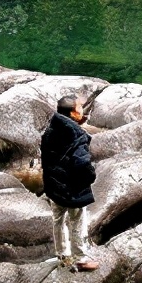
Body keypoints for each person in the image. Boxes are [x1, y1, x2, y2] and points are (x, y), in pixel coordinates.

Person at [40, 95, 99, 271]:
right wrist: (90, 177)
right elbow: (82, 164)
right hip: (73, 188)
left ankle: (62, 255)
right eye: (80, 107)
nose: (83, 110)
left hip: (54, 185)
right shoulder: (77, 135)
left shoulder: (50, 129)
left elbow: (46, 158)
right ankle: (80, 259)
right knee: (78, 221)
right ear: (73, 112)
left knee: (58, 220)